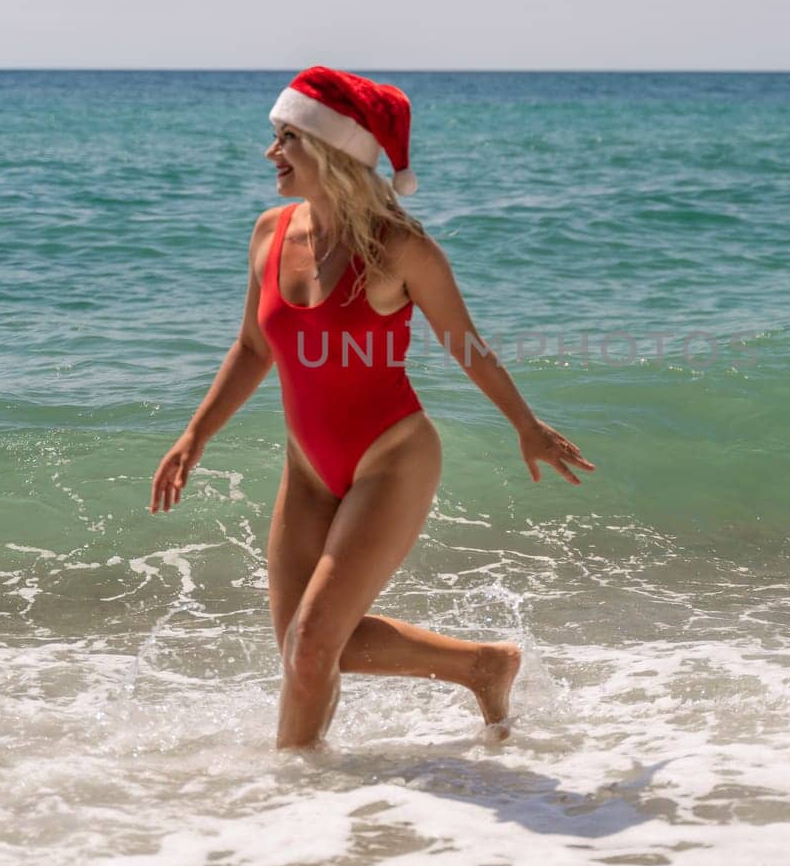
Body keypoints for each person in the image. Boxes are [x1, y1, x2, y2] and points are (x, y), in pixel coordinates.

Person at [148, 66, 595, 750]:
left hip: (392, 458)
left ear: (331, 151)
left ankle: (305, 795)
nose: (271, 153)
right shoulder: (270, 234)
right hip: (306, 469)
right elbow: (251, 346)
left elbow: (466, 345)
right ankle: (473, 670)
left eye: (287, 138)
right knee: (304, 653)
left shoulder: (401, 250)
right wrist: (194, 434)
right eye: (275, 136)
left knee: (310, 644)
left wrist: (525, 426)